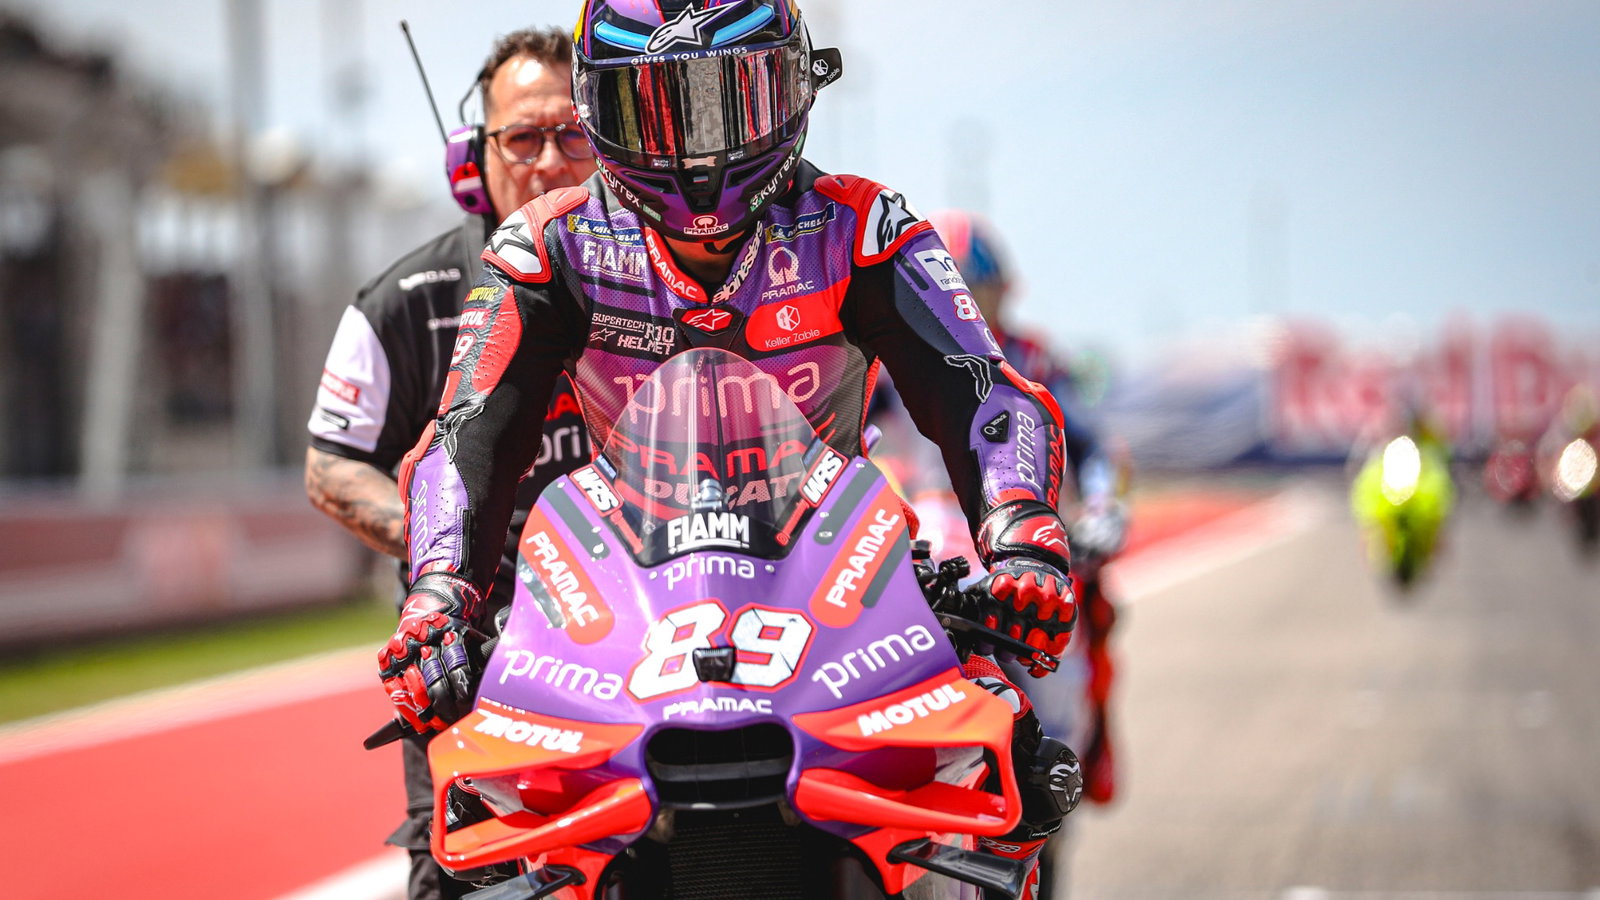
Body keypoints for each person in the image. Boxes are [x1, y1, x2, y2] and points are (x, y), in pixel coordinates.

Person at [381, 2, 1081, 894]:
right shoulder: (545, 245)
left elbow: (981, 390)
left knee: (1010, 774)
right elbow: (465, 434)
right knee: (477, 832)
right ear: (601, 110)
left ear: (794, 86)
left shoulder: (864, 227)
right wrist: (438, 593)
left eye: (730, 101)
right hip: (617, 603)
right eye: (656, 109)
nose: (697, 149)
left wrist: (1023, 535)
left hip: (848, 589)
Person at [304, 27, 598, 900]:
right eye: (523, 138)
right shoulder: (405, 300)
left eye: (572, 135)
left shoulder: (660, 283)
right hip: (473, 659)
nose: (548, 161)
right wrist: (450, 538)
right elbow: (330, 467)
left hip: (644, 649)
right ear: (477, 153)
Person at [922, 209, 1127, 808]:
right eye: (952, 290)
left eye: (974, 290)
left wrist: (1103, 508)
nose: (969, 307)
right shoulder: (883, 361)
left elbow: (1092, 447)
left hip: (1025, 558)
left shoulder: (1034, 361)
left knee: (1058, 685)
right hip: (921, 555)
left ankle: (1050, 801)